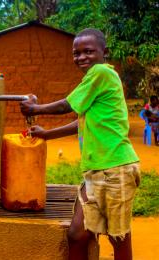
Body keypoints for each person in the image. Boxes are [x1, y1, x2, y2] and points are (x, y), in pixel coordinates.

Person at [20, 28, 140, 260]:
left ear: (104, 52)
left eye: (88, 51)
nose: (81, 57)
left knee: (119, 237)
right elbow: (81, 122)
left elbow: (68, 105)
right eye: (76, 53)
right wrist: (47, 135)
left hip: (116, 168)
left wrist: (36, 109)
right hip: (95, 172)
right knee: (77, 234)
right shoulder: (94, 83)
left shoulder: (102, 73)